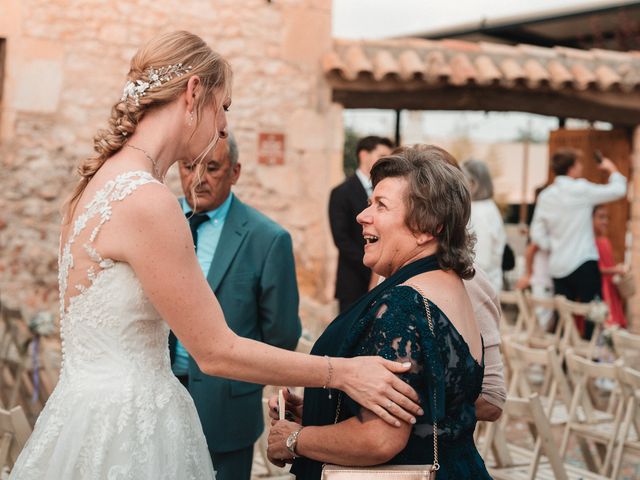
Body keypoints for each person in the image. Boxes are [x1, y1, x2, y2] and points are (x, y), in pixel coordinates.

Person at [9, 31, 423, 480]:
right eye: (223, 107)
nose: (224, 127)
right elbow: (216, 350)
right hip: (129, 432)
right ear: (193, 94)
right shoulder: (147, 199)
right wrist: (343, 373)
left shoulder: (97, 187)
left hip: (81, 418)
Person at [268, 145, 492, 480]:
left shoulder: (404, 305)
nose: (362, 215)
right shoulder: (450, 286)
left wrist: (294, 439)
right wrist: (323, 409)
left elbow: (380, 438)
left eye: (380, 205)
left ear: (425, 228)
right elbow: (425, 406)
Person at [170, 133, 302, 479]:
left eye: (212, 167)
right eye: (188, 166)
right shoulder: (160, 223)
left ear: (235, 171)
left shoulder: (268, 239)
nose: (198, 178)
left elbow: (282, 334)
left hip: (227, 406)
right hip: (158, 394)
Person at [530, 148, 626, 338]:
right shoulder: (580, 189)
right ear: (572, 168)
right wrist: (612, 169)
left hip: (558, 267)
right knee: (594, 315)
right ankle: (591, 359)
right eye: (579, 164)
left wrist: (554, 245)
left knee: (564, 320)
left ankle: (565, 362)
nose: (581, 168)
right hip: (583, 263)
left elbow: (536, 233)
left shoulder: (546, 196)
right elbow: (618, 190)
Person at [329, 136, 393, 312]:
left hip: (384, 279)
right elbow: (341, 238)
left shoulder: (390, 193)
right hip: (352, 281)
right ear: (364, 155)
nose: (387, 160)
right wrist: (372, 265)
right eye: (382, 155)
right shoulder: (341, 192)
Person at [462, 159, 506, 293]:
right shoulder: (486, 208)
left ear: (473, 184)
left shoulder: (480, 213)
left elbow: (481, 261)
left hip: (480, 288)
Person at [593, 205, 628, 328]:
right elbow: (595, 269)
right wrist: (616, 269)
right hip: (600, 288)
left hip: (610, 287)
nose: (605, 221)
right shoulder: (589, 243)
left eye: (606, 218)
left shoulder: (605, 241)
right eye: (601, 217)